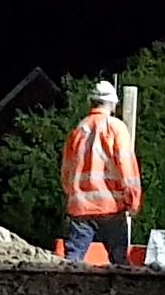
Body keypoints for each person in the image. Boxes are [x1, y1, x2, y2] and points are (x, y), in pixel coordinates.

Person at [59, 79, 143, 266]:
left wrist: (73, 195)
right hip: (110, 208)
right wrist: (133, 200)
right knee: (120, 264)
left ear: (91, 102)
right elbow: (126, 167)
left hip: (80, 208)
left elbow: (66, 171)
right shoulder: (115, 127)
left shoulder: (78, 130)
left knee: (71, 263)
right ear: (113, 104)